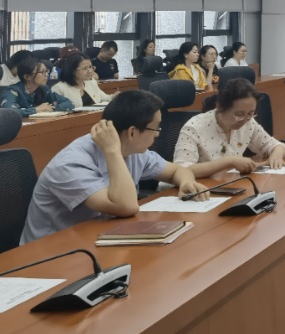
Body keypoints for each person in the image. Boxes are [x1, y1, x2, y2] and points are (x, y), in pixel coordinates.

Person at [20, 90, 211, 244]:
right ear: (132, 133)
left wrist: (185, 182)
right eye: (155, 128)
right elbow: (126, 206)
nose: (157, 134)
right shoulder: (70, 163)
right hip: (50, 254)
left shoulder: (135, 152)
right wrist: (112, 151)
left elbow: (178, 170)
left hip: (98, 238)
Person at [174, 78, 285, 176]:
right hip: (201, 187)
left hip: (229, 183)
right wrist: (229, 162)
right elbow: (181, 170)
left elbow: (275, 145)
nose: (245, 120)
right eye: (239, 114)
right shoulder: (194, 128)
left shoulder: (248, 122)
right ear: (220, 107)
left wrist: (276, 155)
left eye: (250, 113)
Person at [1, 58, 75, 117]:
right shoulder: (12, 91)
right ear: (27, 77)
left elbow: (69, 103)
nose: (46, 75)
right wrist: (36, 110)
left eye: (46, 71)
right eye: (42, 72)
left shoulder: (44, 89)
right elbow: (9, 113)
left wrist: (48, 109)